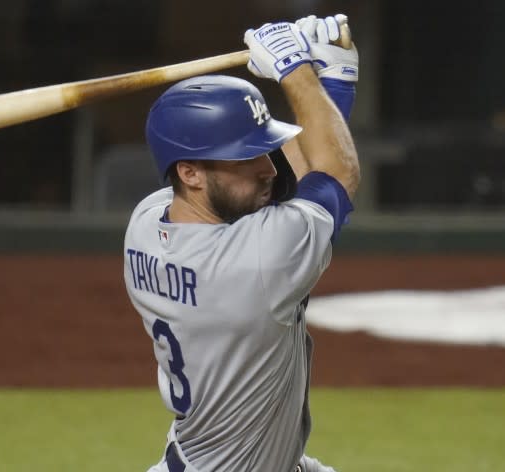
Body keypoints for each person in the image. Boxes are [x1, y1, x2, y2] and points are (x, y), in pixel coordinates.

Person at [124, 14, 360, 472]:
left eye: (261, 151)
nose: (269, 170)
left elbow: (298, 169)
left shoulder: (148, 221)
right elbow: (334, 175)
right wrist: (299, 72)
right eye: (243, 159)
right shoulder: (257, 263)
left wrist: (326, 83)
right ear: (189, 173)